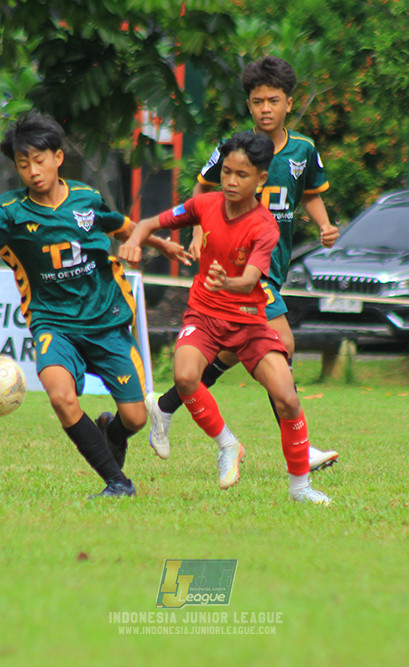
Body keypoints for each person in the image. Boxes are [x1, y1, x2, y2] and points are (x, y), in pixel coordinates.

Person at [0, 112, 190, 498]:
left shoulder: (85, 199)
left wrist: (160, 243)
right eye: (23, 165)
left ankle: (111, 430)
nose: (33, 171)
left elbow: (118, 224)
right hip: (53, 323)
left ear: (57, 158)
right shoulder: (11, 210)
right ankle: (117, 483)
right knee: (60, 396)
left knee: (136, 418)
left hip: (106, 321)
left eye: (39, 161)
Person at [145, 55, 341, 472]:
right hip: (245, 273)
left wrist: (324, 225)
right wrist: (197, 232)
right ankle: (299, 449)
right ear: (249, 105)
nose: (265, 109)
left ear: (289, 103)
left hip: (273, 264)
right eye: (256, 101)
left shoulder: (303, 150)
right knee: (282, 344)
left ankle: (164, 408)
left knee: (231, 352)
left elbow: (310, 194)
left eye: (273, 100)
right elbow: (202, 189)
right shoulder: (235, 150)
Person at [120, 131, 331, 505]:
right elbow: (151, 223)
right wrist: (135, 240)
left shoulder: (264, 225)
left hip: (249, 320)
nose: (231, 182)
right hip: (203, 314)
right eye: (227, 172)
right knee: (185, 376)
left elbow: (251, 280)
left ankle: (301, 488)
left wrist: (227, 281)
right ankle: (228, 444)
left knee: (287, 399)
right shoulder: (205, 206)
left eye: (242, 175)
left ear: (261, 179)